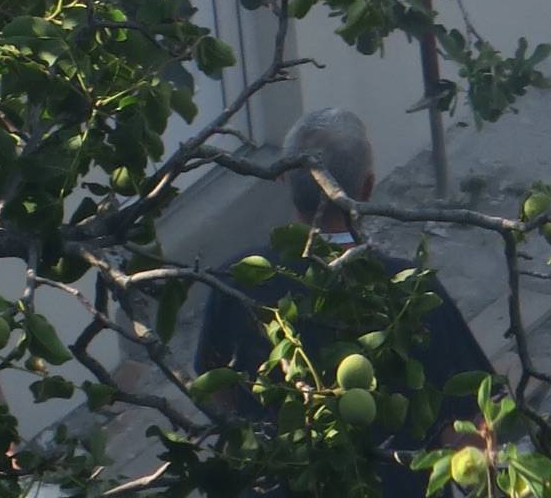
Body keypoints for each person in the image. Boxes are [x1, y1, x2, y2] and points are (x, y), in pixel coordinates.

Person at [193, 105, 493, 486]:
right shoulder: (410, 291)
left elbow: (215, 383)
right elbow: (471, 426)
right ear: (366, 188)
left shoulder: (238, 279)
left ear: (283, 179)